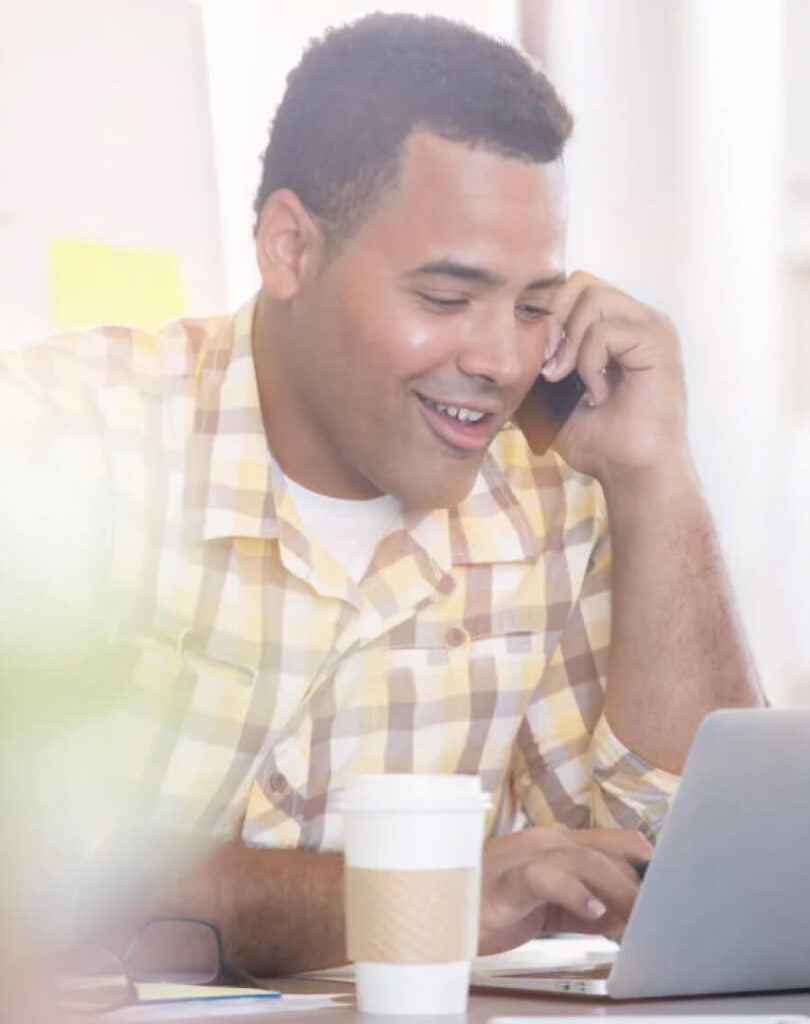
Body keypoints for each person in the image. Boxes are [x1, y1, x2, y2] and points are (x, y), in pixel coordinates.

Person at [0, 13, 764, 975]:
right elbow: (30, 880)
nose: (501, 361)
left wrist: (659, 480)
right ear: (289, 249)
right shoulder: (63, 444)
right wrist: (421, 901)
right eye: (446, 299)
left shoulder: (557, 490)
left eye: (534, 306)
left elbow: (699, 869)